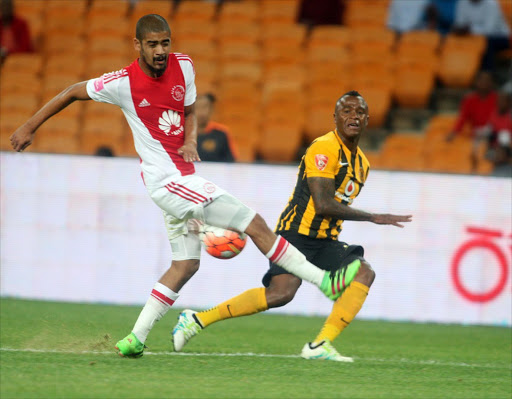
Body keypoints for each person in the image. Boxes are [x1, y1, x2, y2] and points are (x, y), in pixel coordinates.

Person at [9, 14, 355, 358]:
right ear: (138, 45)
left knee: (186, 264)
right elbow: (72, 92)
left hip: (182, 179)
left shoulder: (184, 66)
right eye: (152, 44)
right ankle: (323, 281)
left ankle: (135, 338)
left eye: (165, 43)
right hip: (167, 182)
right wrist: (29, 126)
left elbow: (189, 111)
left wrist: (190, 141)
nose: (160, 50)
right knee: (254, 223)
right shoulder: (122, 83)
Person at [171, 91, 413, 362]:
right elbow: (322, 204)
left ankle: (320, 345)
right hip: (296, 233)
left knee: (364, 273)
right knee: (281, 294)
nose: (353, 116)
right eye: (347, 111)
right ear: (335, 118)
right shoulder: (324, 148)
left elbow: (336, 206)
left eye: (360, 112)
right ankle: (196, 319)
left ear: (367, 119)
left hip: (325, 240)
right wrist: (372, 217)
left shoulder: (362, 164)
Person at [446, 71, 498, 171]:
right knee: (472, 150)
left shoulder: (497, 99)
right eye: (481, 80)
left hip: (493, 133)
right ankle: (474, 172)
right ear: (476, 82)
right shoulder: (469, 99)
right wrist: (454, 132)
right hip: (476, 135)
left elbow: (501, 118)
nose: (484, 83)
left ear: (492, 83)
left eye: (487, 80)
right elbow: (462, 118)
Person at [452, 0, 511, 70]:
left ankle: (487, 74)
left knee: (486, 43)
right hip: (473, 38)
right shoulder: (462, 2)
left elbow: (489, 30)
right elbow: (459, 24)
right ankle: (460, 72)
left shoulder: (491, 4)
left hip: (502, 37)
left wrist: (469, 30)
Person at [196, 93, 237, 162]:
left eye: (204, 107)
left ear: (211, 109)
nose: (201, 112)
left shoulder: (222, 132)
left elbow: (231, 161)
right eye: (197, 107)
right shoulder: (180, 132)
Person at [485, 91, 512, 176]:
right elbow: (489, 136)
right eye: (499, 100)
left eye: (504, 100)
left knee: (504, 135)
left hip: (509, 149)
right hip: (495, 150)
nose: (501, 103)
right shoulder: (493, 115)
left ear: (509, 103)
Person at [0, 0, 33, 64]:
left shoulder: (21, 24)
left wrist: (9, 52)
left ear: (12, 8)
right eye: (4, 7)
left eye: (8, 7)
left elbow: (25, 46)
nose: (6, 9)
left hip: (19, 58)